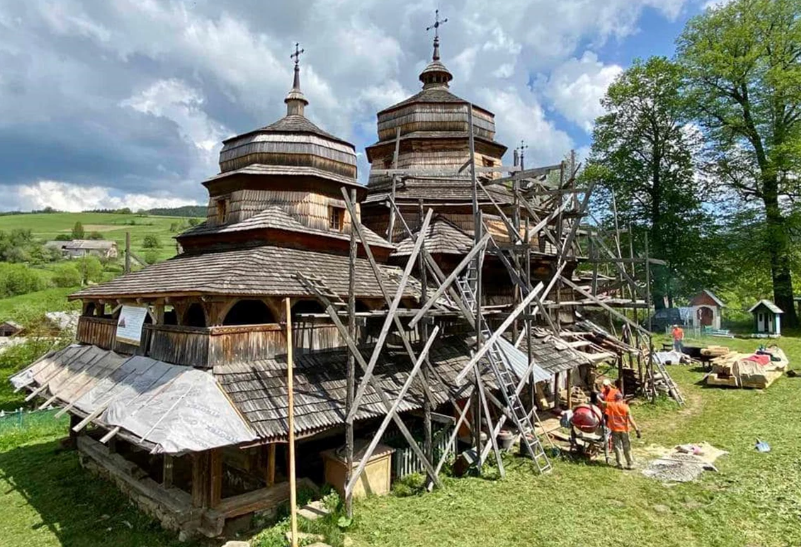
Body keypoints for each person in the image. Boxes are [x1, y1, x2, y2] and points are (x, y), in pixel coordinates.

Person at [604, 392, 641, 469]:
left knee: (617, 446)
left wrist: (597, 396)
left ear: (615, 399)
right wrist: (637, 430)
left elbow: (602, 403)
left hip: (615, 429)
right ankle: (630, 463)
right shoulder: (626, 407)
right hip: (624, 430)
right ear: (621, 399)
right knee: (627, 446)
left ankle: (620, 464)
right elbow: (631, 420)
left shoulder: (611, 405)